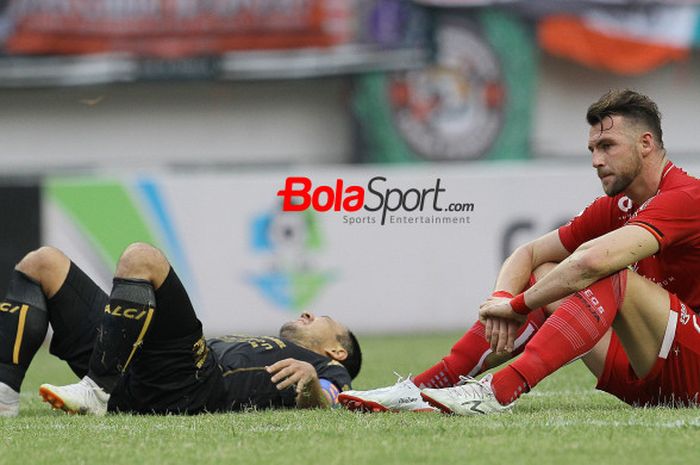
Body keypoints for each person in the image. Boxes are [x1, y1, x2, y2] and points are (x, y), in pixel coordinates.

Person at [339, 89, 700, 414]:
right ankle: (422, 387)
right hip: (648, 374)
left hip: (693, 373)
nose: (595, 160)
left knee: (609, 275)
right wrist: (502, 299)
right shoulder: (618, 205)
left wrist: (516, 305)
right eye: (592, 149)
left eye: (607, 146)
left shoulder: (685, 197)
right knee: (545, 273)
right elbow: (527, 253)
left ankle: (499, 390)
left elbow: (593, 261)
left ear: (646, 143)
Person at [0, 243, 361, 417]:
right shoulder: (272, 347)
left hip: (190, 384)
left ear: (337, 351)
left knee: (143, 259)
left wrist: (312, 380)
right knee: (43, 263)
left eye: (323, 318)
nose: (309, 313)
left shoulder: (329, 369)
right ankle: (4, 398)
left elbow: (328, 398)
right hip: (133, 372)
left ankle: (95, 391)